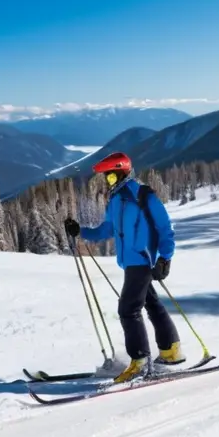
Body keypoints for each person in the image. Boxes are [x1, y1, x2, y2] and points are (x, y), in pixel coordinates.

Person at [63, 152, 184, 383]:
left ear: (123, 172)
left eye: (110, 177)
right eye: (106, 178)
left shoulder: (144, 196)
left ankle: (140, 362)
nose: (108, 182)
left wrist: (165, 258)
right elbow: (106, 230)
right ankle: (171, 350)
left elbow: (165, 229)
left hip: (143, 260)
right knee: (151, 303)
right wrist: (80, 231)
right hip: (130, 262)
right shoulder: (116, 201)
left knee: (128, 309)